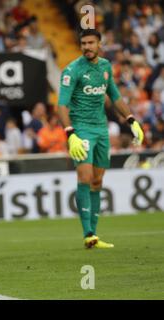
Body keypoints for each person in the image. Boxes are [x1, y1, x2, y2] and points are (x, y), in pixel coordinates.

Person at [57, 28, 144, 249]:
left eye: (90, 43)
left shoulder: (105, 67)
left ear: (99, 44)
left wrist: (132, 119)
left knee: (97, 180)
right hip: (80, 130)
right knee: (85, 176)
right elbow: (61, 105)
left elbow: (114, 95)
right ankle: (87, 233)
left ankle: (94, 234)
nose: (86, 47)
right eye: (83, 43)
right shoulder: (72, 70)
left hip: (101, 129)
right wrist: (70, 133)